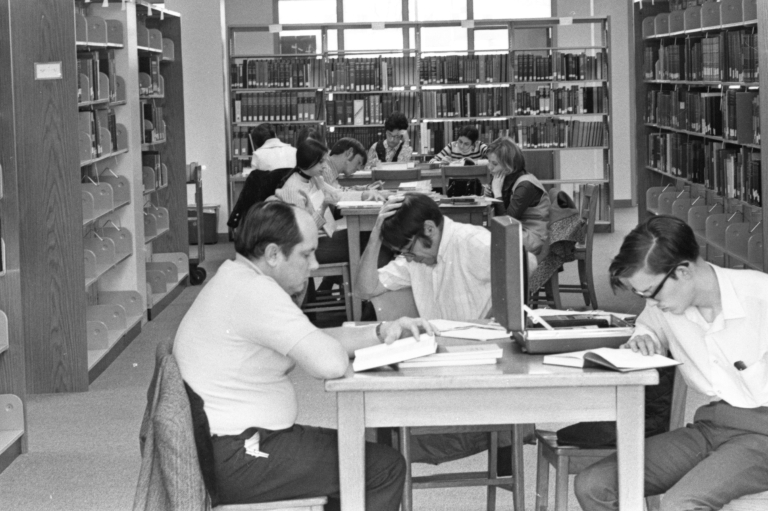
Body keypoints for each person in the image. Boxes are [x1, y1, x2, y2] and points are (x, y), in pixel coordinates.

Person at [175, 201, 434, 511]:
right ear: (273, 254)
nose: (314, 266)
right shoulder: (255, 292)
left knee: (362, 459)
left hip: (233, 444)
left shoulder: (238, 279)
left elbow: (314, 339)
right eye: (306, 254)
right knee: (383, 467)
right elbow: (331, 363)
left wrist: (383, 331)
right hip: (237, 455)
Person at [574, 215, 768, 511]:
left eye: (651, 292)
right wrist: (643, 336)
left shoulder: (761, 296)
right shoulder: (667, 307)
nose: (650, 303)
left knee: (680, 504)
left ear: (683, 271)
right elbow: (647, 324)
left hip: (762, 434)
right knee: (595, 484)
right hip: (710, 425)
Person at [355, 193, 525, 468]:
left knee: (379, 437)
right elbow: (364, 289)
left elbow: (524, 263)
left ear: (430, 229)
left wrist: (496, 315)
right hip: (440, 365)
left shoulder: (471, 241)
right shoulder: (415, 258)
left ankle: (505, 438)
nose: (410, 258)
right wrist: (376, 234)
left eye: (410, 250)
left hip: (479, 371)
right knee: (372, 422)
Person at [272, 138, 348, 264]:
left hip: (325, 234)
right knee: (355, 242)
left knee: (357, 237)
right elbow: (304, 231)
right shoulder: (292, 190)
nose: (325, 166)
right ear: (309, 161)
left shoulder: (315, 178)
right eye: (321, 162)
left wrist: (364, 193)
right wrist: (323, 206)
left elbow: (337, 193)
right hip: (307, 246)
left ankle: (328, 284)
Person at [485, 137, 550, 261]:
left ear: (509, 165)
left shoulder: (525, 185)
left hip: (532, 236)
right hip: (520, 231)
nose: (489, 167)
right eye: (489, 161)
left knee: (485, 243)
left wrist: (497, 192)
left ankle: (498, 279)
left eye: (494, 164)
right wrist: (491, 194)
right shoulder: (508, 178)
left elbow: (508, 224)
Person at [322, 137, 386, 202]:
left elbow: (339, 190)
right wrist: (365, 194)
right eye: (358, 162)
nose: (358, 168)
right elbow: (336, 196)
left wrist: (366, 188)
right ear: (349, 153)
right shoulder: (325, 169)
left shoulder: (331, 169)